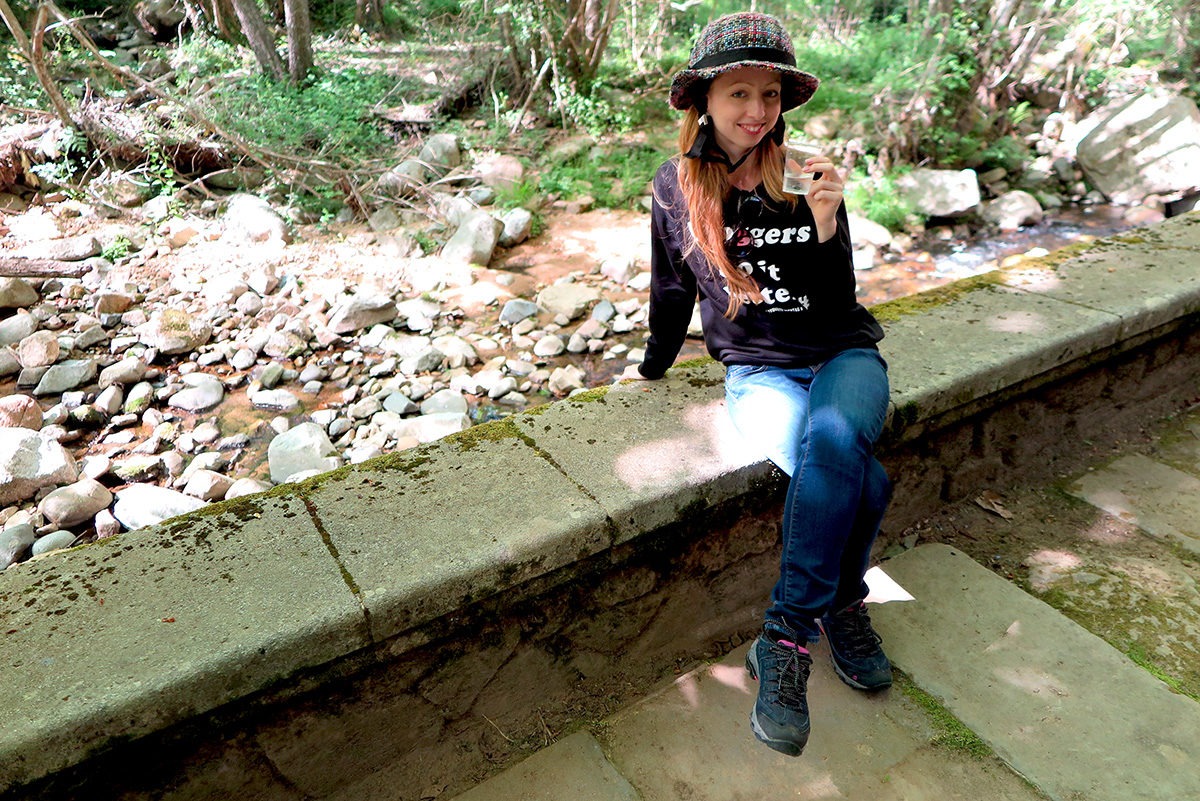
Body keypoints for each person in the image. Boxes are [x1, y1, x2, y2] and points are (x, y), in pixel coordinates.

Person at [621, 11, 893, 757]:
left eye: (768, 95)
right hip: (759, 369)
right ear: (704, 101)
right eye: (739, 93)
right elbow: (672, 291)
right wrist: (652, 363)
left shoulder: (802, 173)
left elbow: (840, 304)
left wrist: (830, 223)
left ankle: (784, 638)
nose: (756, 112)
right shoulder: (675, 188)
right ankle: (843, 602)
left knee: (835, 439)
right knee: (859, 479)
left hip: (843, 355)